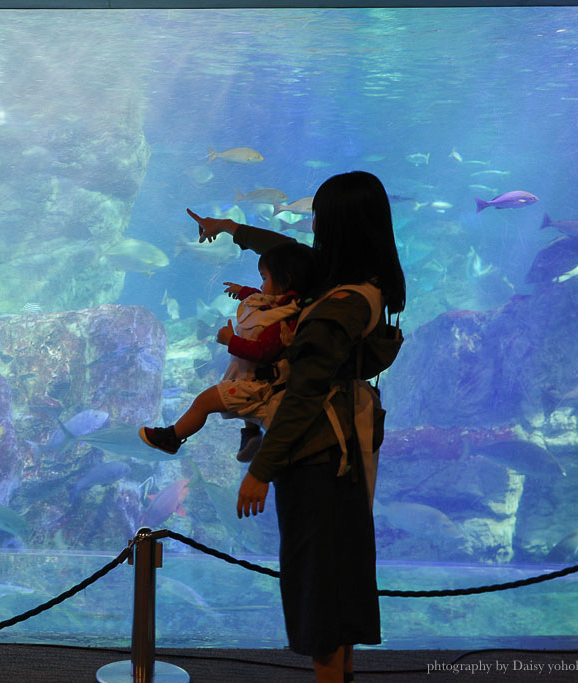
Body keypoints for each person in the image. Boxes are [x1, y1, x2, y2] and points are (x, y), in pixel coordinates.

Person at [189, 171, 406, 683]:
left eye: (320, 217)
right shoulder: (360, 283)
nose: (312, 225)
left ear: (338, 224)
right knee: (341, 580)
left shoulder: (339, 305)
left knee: (320, 591)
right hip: (345, 450)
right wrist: (230, 228)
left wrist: (261, 469)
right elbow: (286, 248)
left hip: (318, 459)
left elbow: (305, 393)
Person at [138, 240, 314, 460]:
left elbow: (263, 353)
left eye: (264, 278)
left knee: (204, 402)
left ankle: (172, 437)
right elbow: (262, 299)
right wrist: (242, 292)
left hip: (258, 385)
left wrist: (230, 340)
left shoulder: (279, 321)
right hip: (256, 383)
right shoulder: (286, 304)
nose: (260, 285)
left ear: (285, 280)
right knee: (247, 406)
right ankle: (250, 436)